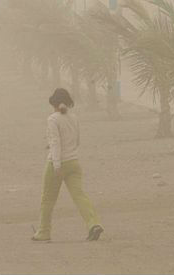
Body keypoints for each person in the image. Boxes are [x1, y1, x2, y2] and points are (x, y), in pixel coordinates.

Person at [32, 88, 104, 242]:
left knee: (48, 199)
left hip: (56, 164)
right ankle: (94, 223)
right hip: (74, 162)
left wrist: (57, 165)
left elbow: (57, 143)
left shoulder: (52, 119)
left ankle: (44, 231)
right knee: (79, 196)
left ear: (55, 104)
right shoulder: (74, 118)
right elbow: (76, 140)